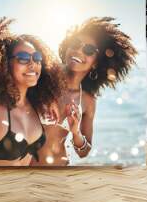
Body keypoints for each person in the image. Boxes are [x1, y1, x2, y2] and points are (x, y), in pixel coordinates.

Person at [33, 17, 138, 166]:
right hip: (24, 167)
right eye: (75, 44)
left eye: (88, 50)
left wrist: (76, 132)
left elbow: (84, 152)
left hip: (59, 168)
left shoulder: (87, 101)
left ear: (96, 62)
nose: (78, 51)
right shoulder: (43, 75)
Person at [0, 18, 65, 166]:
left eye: (37, 58)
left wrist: (51, 99)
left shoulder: (37, 105)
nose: (33, 64)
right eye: (23, 58)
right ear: (4, 62)